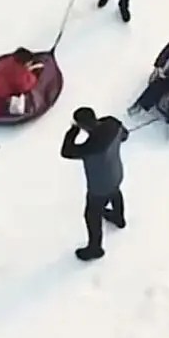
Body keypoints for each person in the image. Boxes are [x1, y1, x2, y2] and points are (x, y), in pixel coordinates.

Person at [62, 107, 128, 261]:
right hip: (117, 172)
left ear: (83, 126)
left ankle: (95, 249)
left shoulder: (89, 148)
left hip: (98, 186)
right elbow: (125, 135)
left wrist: (72, 131)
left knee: (92, 216)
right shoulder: (113, 123)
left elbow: (66, 151)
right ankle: (119, 218)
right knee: (115, 192)